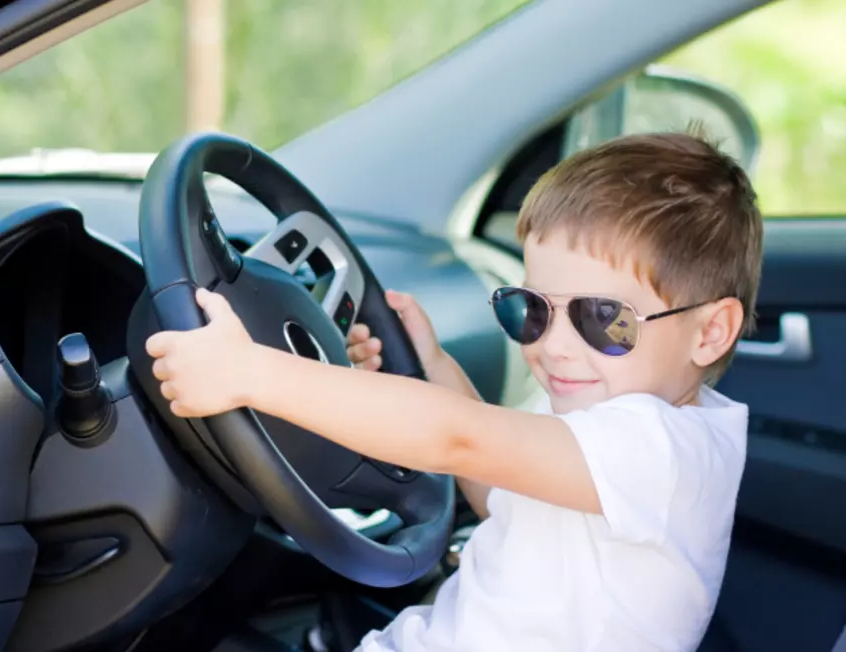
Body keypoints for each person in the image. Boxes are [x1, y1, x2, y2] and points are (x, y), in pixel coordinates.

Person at [145, 131, 763, 651]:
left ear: (710, 332)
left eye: (604, 318)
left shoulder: (661, 452)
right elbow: (501, 489)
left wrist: (249, 372)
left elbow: (459, 440)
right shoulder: (606, 405)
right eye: (532, 310)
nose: (554, 347)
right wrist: (432, 366)